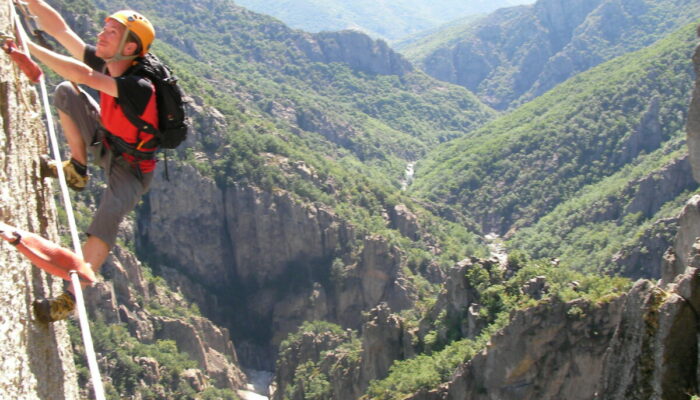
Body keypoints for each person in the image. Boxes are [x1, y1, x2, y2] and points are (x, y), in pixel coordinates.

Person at [17, 1, 159, 322]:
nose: (101, 34)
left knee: (107, 217)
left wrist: (24, 47)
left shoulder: (139, 86)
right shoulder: (111, 61)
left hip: (133, 169)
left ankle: (71, 297)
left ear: (130, 46)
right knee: (67, 92)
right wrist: (30, 3)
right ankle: (77, 170)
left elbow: (82, 73)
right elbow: (62, 31)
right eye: (105, 29)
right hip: (108, 140)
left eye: (112, 32)